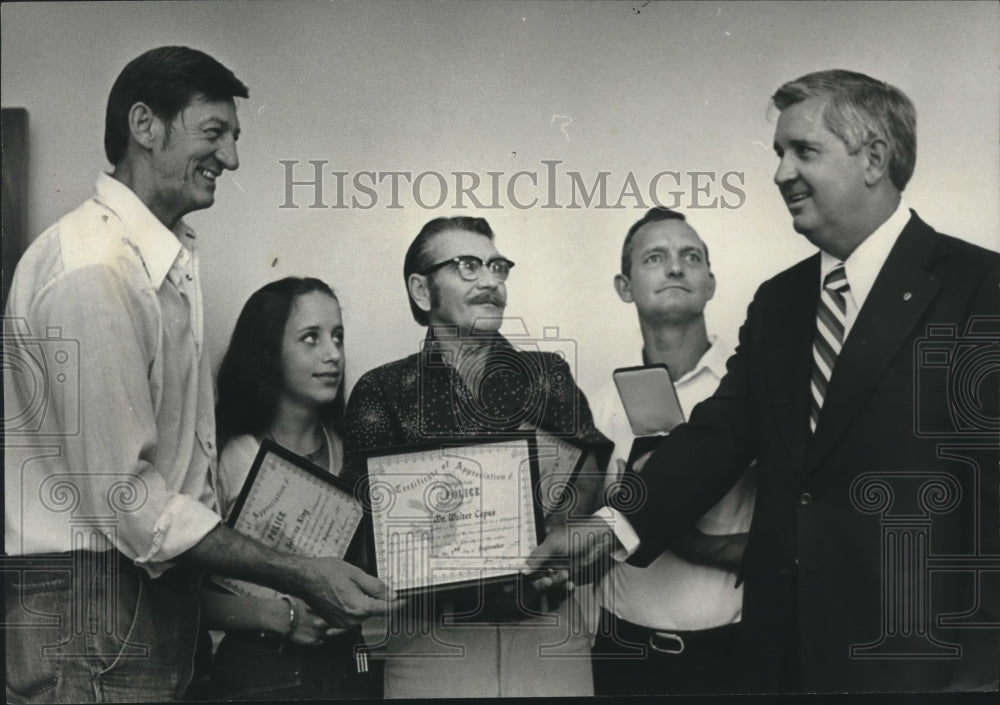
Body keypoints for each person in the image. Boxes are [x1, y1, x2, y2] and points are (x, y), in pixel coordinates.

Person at [530, 69, 1000, 693]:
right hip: (783, 659)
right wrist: (611, 527)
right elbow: (717, 437)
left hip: (927, 664)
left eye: (803, 151)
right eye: (779, 153)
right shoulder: (780, 303)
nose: (780, 173)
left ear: (874, 159)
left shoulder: (980, 287)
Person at [4, 47, 391, 704]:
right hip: (94, 599)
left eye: (234, 137)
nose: (232, 159)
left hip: (131, 598)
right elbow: (133, 507)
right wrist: (302, 572)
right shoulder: (96, 269)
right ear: (144, 125)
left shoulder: (150, 261)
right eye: (215, 133)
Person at [343, 216, 613, 698]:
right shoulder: (381, 390)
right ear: (422, 291)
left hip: (549, 634)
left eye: (497, 266)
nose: (490, 281)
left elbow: (588, 472)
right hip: (432, 644)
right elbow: (362, 527)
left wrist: (553, 528)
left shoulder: (548, 373)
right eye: (467, 266)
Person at [589, 207, 755, 695]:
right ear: (625, 286)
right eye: (655, 258)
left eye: (691, 257)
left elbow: (797, 533)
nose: (676, 268)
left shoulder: (753, 394)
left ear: (710, 282)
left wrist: (694, 541)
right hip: (622, 655)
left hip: (731, 656)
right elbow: (583, 535)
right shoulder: (599, 407)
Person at [196, 277, 382, 700]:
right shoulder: (228, 457)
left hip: (348, 673)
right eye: (310, 338)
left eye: (337, 336)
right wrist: (280, 616)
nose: (333, 354)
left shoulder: (351, 450)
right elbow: (181, 599)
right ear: (267, 352)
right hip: (256, 674)